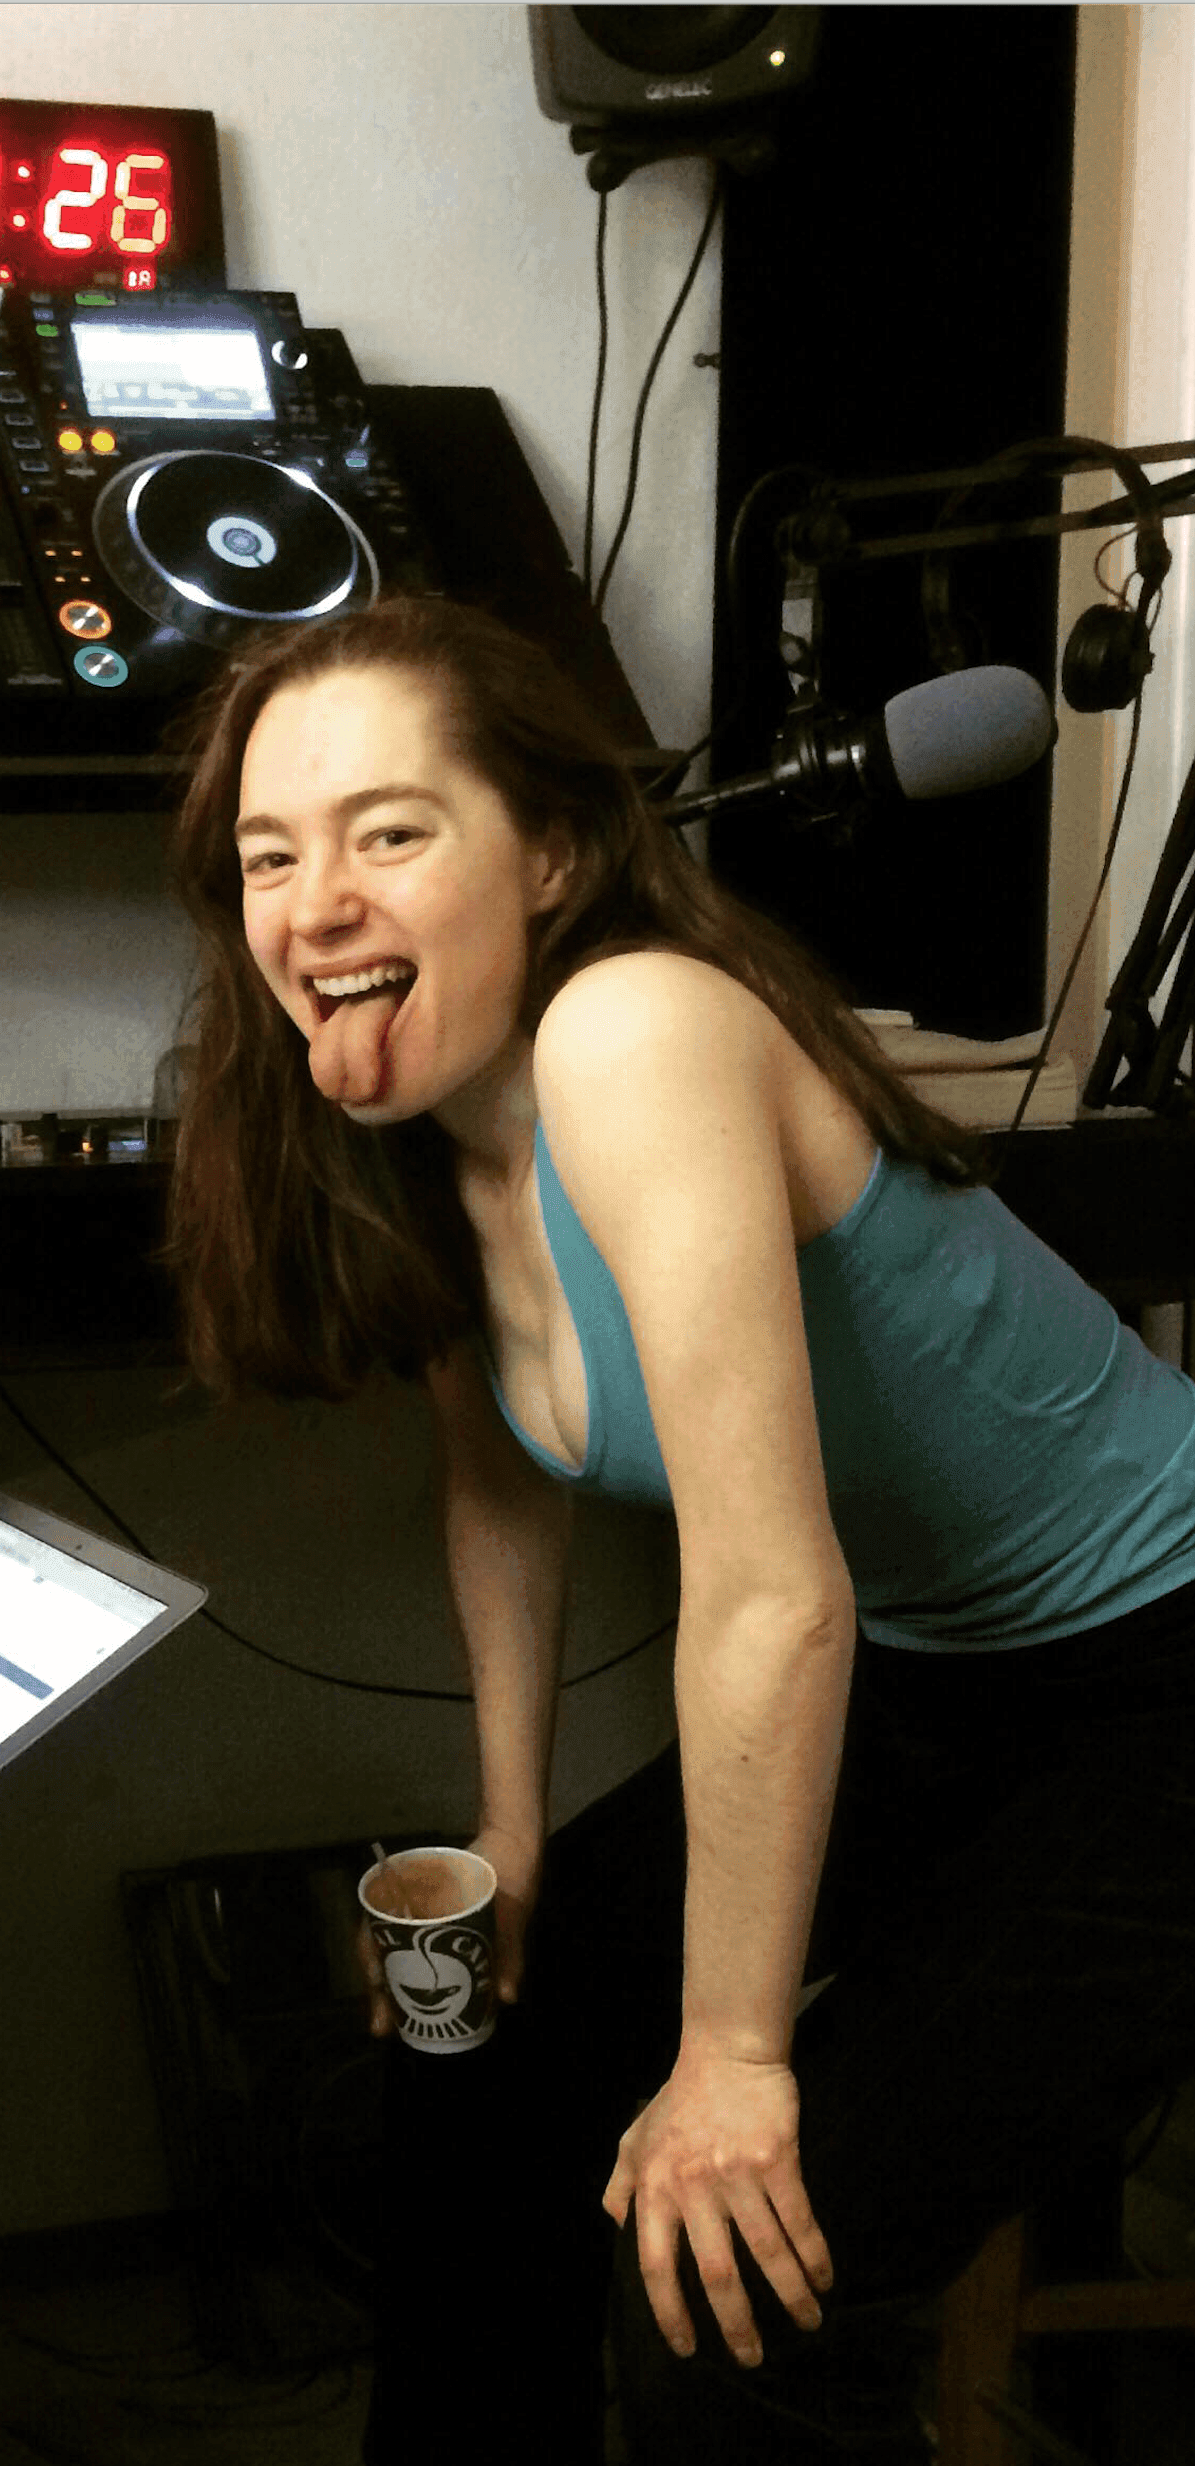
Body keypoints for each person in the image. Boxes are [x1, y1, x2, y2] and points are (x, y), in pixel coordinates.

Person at [162, 595, 1195, 2462]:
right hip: (939, 1672)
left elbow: (775, 1595)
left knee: (737, 2288)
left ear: (552, 855)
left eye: (388, 832)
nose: (313, 905)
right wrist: (508, 1836)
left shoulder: (632, 1031)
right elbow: (498, 1486)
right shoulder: (418, 1130)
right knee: (472, 2052)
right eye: (269, 854)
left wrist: (731, 2057)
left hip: (1159, 1664)